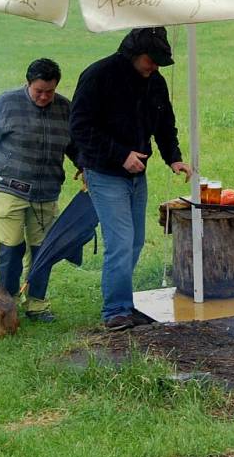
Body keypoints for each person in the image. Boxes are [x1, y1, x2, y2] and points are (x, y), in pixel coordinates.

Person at [69, 27, 191, 330]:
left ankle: (122, 302)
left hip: (138, 175)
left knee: (134, 242)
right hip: (105, 172)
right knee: (121, 242)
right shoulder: (99, 76)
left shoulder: (156, 82)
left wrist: (173, 157)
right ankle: (116, 311)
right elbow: (80, 127)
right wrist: (121, 155)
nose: (155, 67)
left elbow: (165, 123)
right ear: (134, 53)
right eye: (152, 60)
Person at [0, 58, 77, 322]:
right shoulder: (6, 103)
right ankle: (8, 305)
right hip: (10, 186)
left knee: (43, 249)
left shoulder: (65, 108)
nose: (44, 97)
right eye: (38, 91)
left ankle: (37, 305)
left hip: (47, 190)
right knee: (10, 247)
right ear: (28, 83)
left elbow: (75, 143)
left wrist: (83, 165)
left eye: (49, 91)